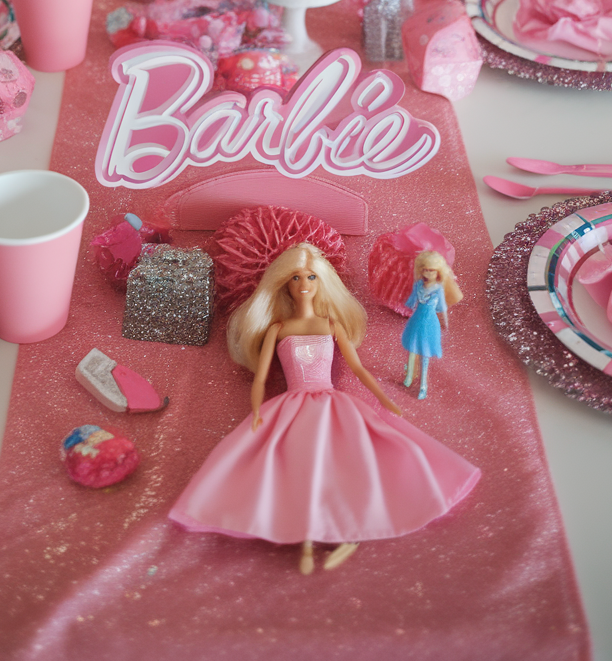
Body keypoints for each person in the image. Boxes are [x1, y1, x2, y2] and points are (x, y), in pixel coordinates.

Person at [169, 243, 479, 574]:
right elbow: (260, 378)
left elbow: (358, 368)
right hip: (292, 403)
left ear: (322, 282)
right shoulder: (277, 328)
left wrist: (385, 399)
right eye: (297, 277)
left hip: (332, 401)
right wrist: (257, 411)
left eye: (312, 276)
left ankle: (348, 531)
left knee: (348, 462)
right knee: (296, 468)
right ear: (284, 284)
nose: (304, 284)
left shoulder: (331, 324)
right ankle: (305, 537)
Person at [402, 249, 463, 400]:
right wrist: (409, 303)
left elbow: (441, 307)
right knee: (412, 348)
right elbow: (411, 301)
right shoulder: (418, 285)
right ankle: (409, 375)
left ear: (438, 272)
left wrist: (432, 305)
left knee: (425, 354)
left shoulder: (438, 289)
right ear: (422, 270)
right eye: (426, 270)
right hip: (416, 320)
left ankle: (423, 385)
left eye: (432, 271)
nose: (429, 274)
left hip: (429, 322)